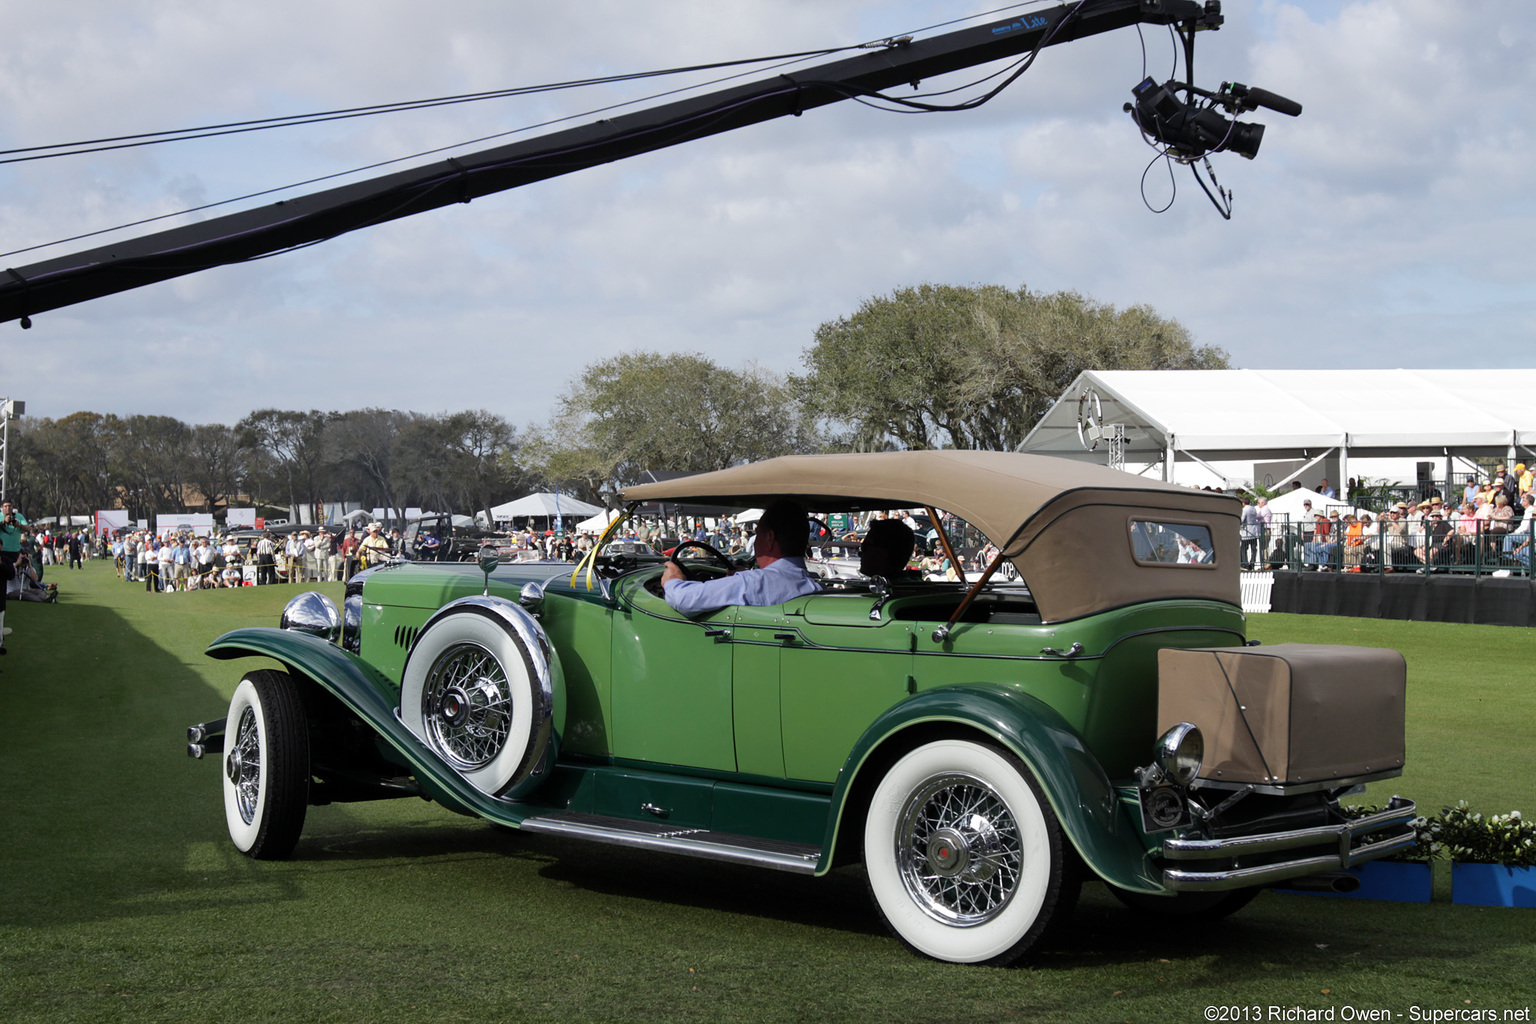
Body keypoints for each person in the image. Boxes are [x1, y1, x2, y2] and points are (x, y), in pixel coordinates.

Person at [661, 499, 821, 616]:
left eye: (758, 534)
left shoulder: (750, 583)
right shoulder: (814, 586)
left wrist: (672, 581)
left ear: (770, 538)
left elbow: (684, 600)